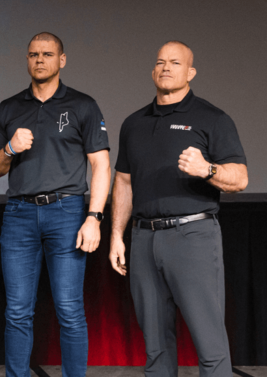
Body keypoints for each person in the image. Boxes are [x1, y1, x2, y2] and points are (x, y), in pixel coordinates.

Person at [109, 41, 248, 377]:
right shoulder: (134, 123)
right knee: (155, 348)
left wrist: (208, 169)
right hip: (144, 239)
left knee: (210, 344)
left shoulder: (212, 118)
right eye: (160, 62)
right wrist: (116, 235)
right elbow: (124, 182)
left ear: (191, 72)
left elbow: (240, 178)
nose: (166, 68)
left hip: (192, 236)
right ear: (153, 71)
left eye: (175, 62)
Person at [0, 33, 111, 377]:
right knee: (17, 312)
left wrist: (94, 217)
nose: (39, 60)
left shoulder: (83, 105)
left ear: (62, 60)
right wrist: (10, 148)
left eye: (47, 54)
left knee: (69, 309)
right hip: (19, 214)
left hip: (67, 212)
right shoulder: (9, 108)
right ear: (27, 60)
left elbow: (101, 165)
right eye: (33, 54)